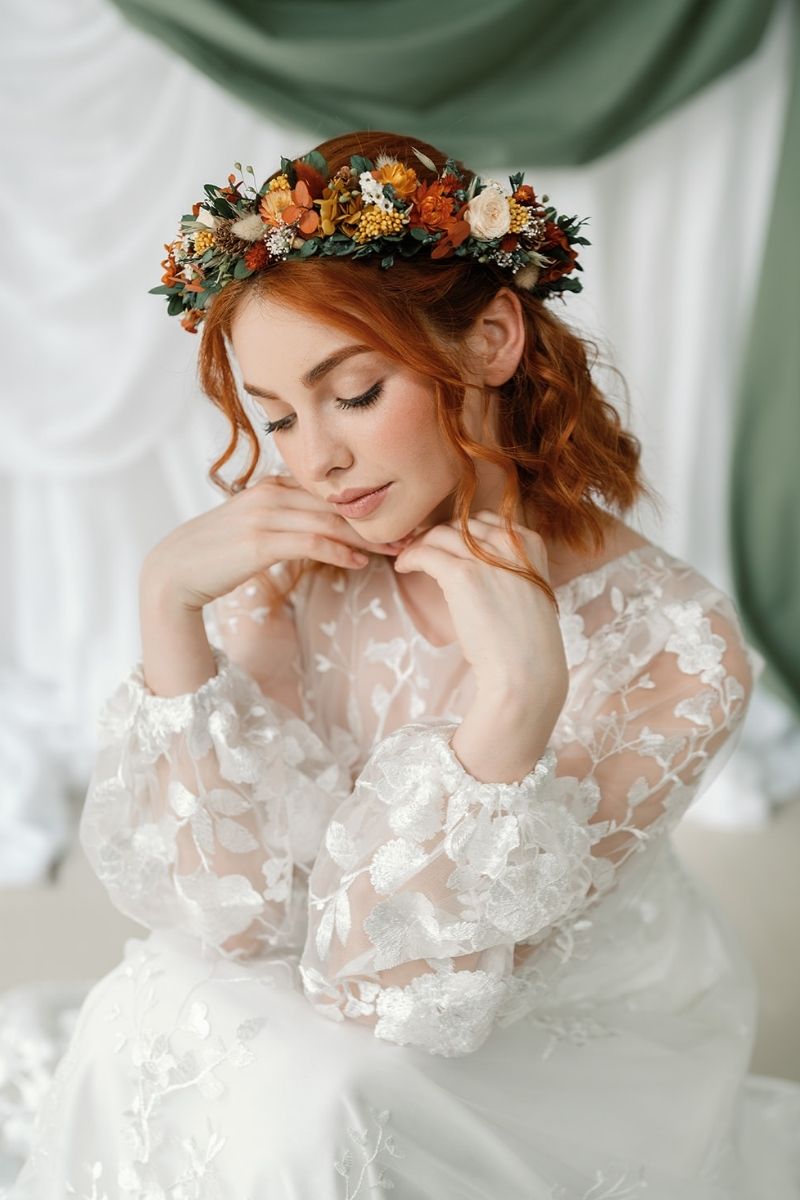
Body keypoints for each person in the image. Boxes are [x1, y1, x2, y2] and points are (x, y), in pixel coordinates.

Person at [7, 130, 800, 1199]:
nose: (316, 459)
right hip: (354, 991)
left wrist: (515, 701)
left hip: (546, 1029)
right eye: (278, 416)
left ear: (490, 339)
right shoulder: (295, 563)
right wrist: (172, 614)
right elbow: (225, 918)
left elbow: (391, 997)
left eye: (356, 392)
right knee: (145, 1009)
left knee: (323, 1098)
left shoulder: (676, 644)